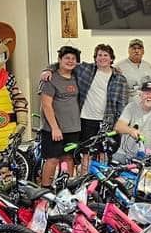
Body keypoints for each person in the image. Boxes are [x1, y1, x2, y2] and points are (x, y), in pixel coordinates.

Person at [42, 44, 129, 168]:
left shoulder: (120, 79)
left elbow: (122, 104)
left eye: (106, 55)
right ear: (95, 57)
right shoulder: (86, 70)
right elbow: (64, 63)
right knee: (86, 154)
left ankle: (99, 184)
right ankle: (83, 182)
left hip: (107, 122)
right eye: (99, 55)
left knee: (103, 154)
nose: (102, 58)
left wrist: (119, 124)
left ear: (111, 59)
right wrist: (48, 70)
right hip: (86, 120)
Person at [39, 46, 82, 187]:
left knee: (69, 159)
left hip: (73, 128)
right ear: (59, 60)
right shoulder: (50, 78)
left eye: (73, 59)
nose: (70, 61)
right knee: (52, 160)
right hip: (54, 129)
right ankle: (45, 191)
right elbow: (46, 105)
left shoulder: (77, 76)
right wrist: (55, 128)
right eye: (66, 58)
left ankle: (66, 189)